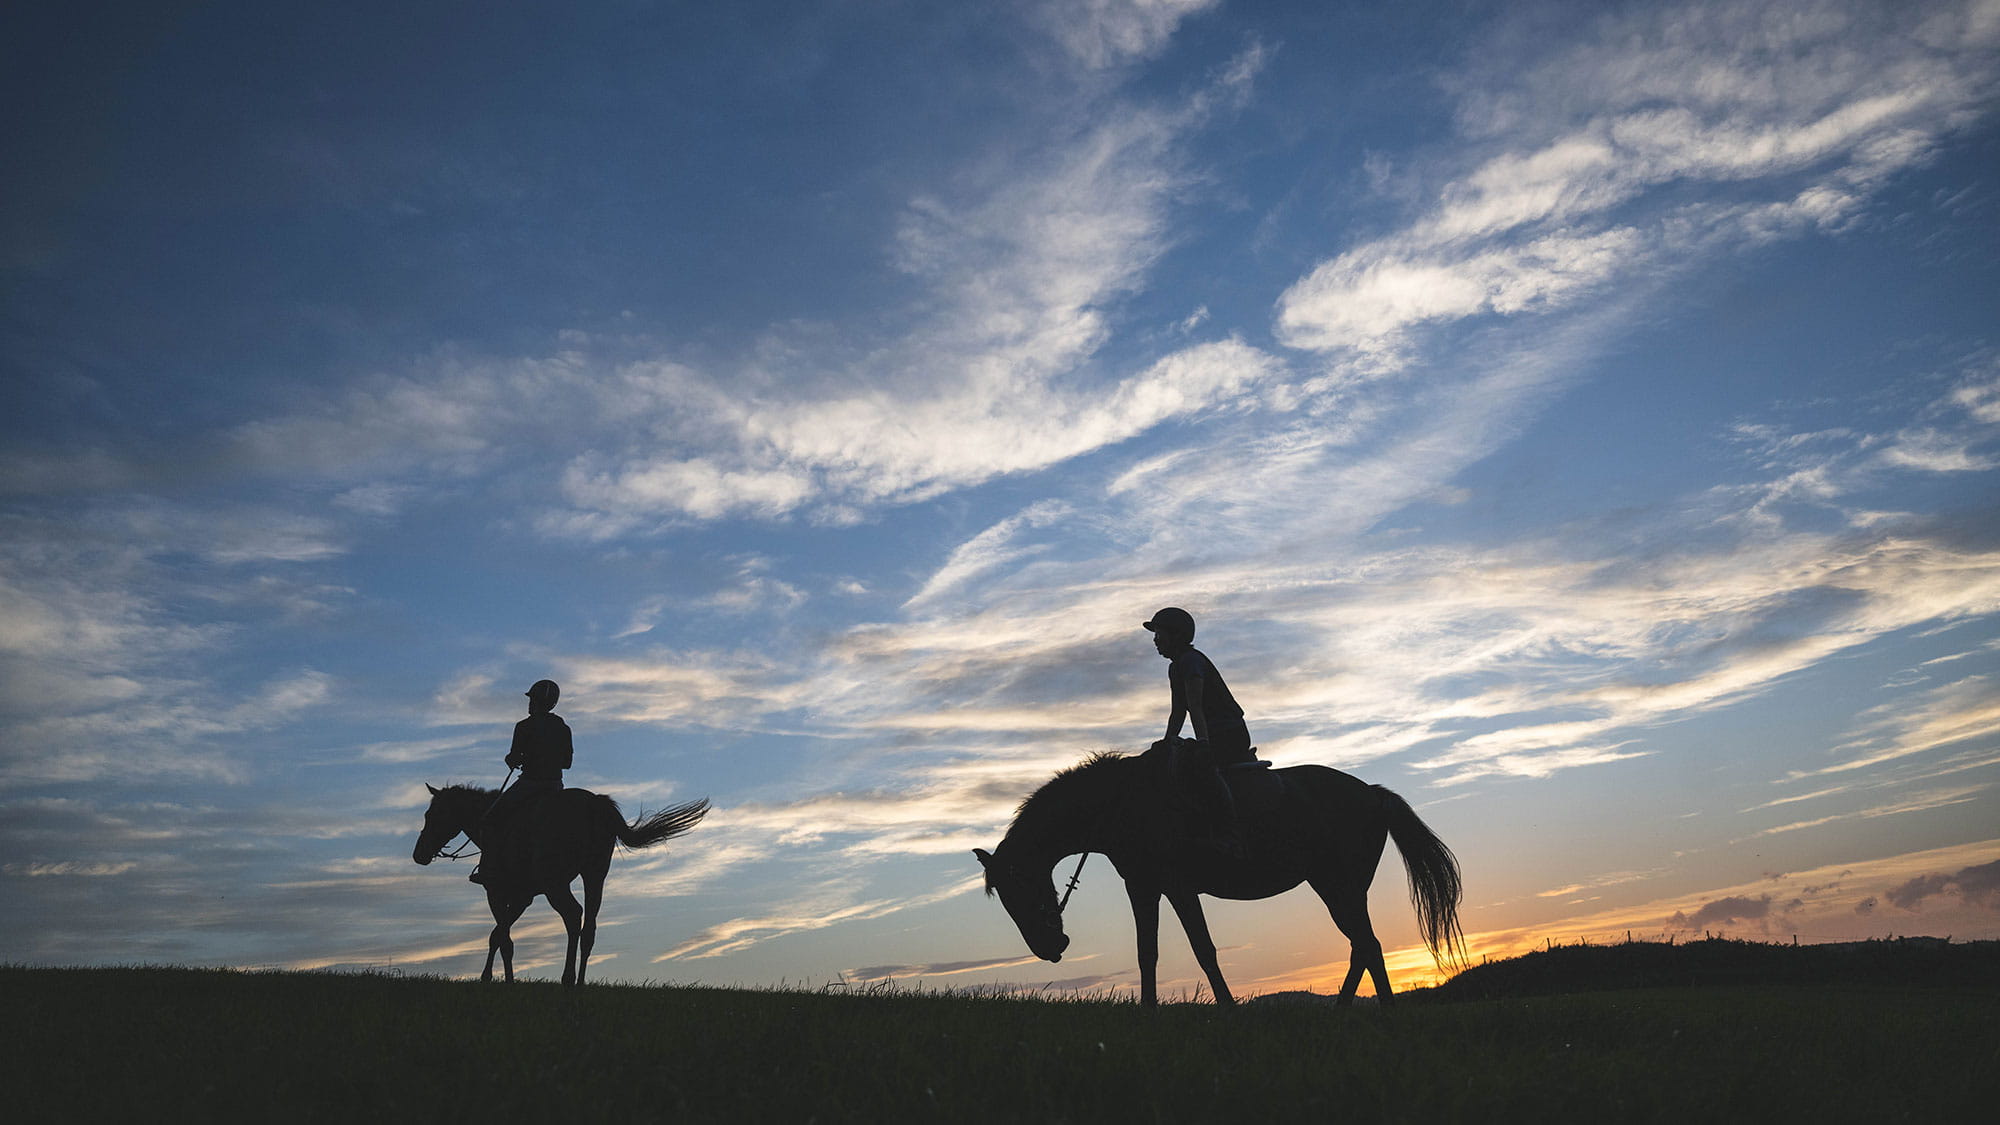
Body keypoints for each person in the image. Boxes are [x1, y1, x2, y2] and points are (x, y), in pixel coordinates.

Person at [1144, 607, 1252, 855]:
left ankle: (1229, 833)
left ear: (1176, 636)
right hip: (1210, 732)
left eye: (1159, 635)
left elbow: (1195, 706)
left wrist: (1203, 742)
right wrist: (1167, 742)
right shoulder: (1175, 667)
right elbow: (1178, 712)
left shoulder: (1192, 661)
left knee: (1204, 768)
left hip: (1228, 732)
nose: (1155, 641)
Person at [469, 679, 574, 885]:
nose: (529, 704)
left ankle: (489, 868)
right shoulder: (563, 728)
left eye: (532, 699)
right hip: (555, 786)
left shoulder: (524, 727)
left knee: (490, 820)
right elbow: (567, 763)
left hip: (530, 784)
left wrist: (515, 759)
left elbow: (514, 757)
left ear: (536, 702)